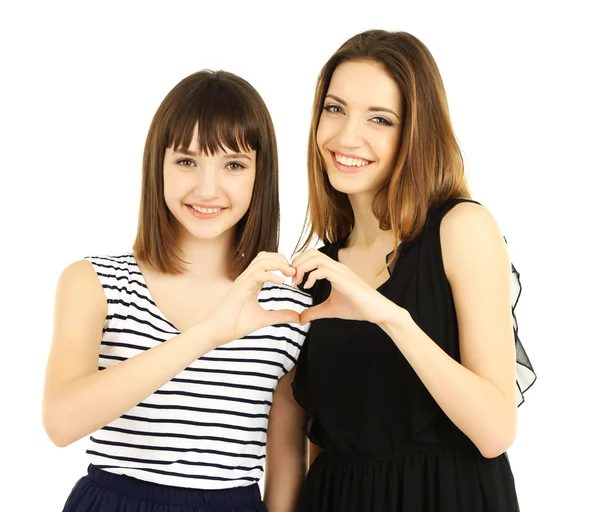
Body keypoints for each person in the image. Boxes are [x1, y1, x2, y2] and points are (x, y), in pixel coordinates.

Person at [42, 69, 311, 512]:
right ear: (157, 166)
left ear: (260, 176)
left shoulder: (285, 307)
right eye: (187, 161)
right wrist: (208, 334)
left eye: (234, 165)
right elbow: (61, 423)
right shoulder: (95, 283)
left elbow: (285, 459)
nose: (208, 188)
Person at [290, 29, 537, 511]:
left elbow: (494, 431)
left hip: (446, 496)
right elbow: (315, 442)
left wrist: (390, 317)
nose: (346, 137)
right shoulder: (321, 270)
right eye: (335, 109)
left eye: (379, 119)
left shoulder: (461, 228)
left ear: (414, 134)